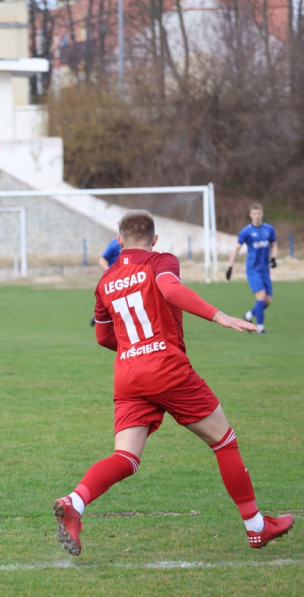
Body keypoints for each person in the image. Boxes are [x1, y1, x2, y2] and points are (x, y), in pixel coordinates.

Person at [53, 210, 293, 556]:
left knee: (126, 457)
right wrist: (218, 315)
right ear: (154, 239)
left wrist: (136, 350)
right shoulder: (160, 261)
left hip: (128, 374)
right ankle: (256, 527)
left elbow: (104, 338)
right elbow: (169, 289)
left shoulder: (105, 282)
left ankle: (74, 502)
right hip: (165, 367)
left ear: (119, 242)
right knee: (224, 441)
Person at [225, 203, 277, 335]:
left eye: (259, 213)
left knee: (268, 301)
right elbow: (236, 248)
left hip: (265, 269)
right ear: (250, 215)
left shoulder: (269, 229)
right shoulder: (246, 231)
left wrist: (274, 258)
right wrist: (230, 267)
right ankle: (260, 328)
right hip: (252, 269)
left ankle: (249, 315)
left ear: (262, 214)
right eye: (254, 214)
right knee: (261, 296)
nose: (257, 216)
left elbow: (274, 245)